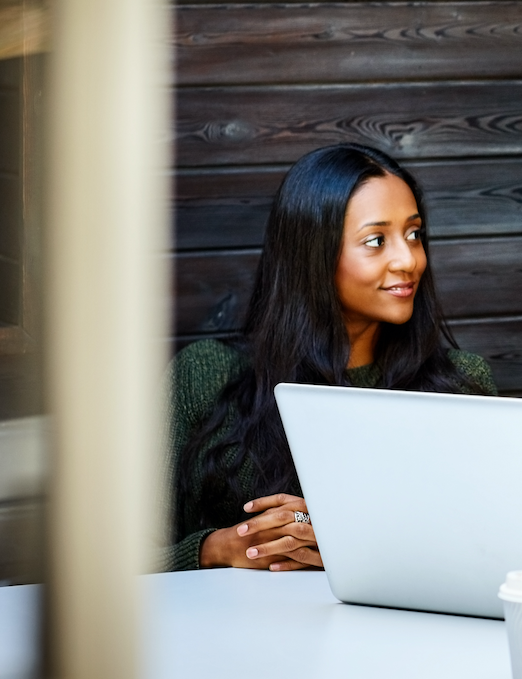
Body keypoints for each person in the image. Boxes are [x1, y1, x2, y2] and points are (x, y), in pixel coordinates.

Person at [163, 143, 497, 572]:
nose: (408, 259)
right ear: (313, 255)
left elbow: (487, 548)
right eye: (376, 241)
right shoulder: (205, 374)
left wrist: (363, 546)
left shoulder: (462, 384)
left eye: (414, 234)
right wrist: (217, 549)